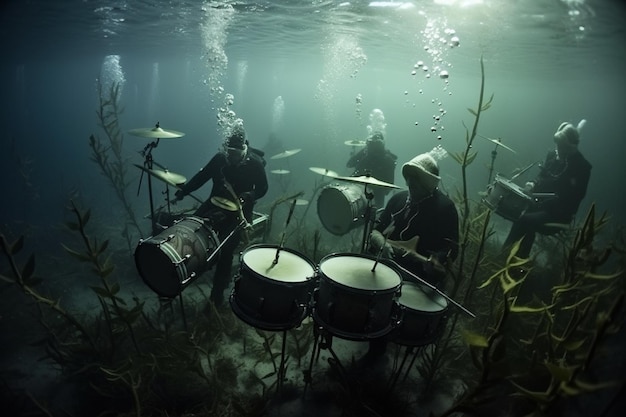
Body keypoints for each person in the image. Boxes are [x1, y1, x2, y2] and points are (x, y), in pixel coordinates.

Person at [363, 147, 459, 364]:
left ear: (428, 183)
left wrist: (437, 260)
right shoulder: (398, 199)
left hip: (419, 276)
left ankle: (384, 350)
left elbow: (452, 247)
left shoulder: (445, 208)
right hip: (389, 267)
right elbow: (377, 229)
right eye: (408, 180)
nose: (410, 185)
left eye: (415, 182)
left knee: (389, 303)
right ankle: (374, 345)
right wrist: (380, 243)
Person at [174, 124, 268, 306]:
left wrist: (250, 196)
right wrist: (184, 191)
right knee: (190, 230)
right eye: (229, 151)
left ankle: (216, 297)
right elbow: (202, 177)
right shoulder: (220, 159)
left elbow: (263, 188)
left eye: (235, 153)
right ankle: (181, 272)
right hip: (214, 202)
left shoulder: (255, 163)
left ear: (244, 149)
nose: (231, 157)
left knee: (226, 251)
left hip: (239, 213)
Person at [503, 120, 591, 259]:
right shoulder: (553, 155)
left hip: (558, 216)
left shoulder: (582, 167)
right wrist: (532, 184)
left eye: (562, 147)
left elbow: (575, 198)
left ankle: (507, 257)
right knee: (518, 214)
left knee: (523, 220)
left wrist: (541, 200)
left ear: (570, 147)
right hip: (538, 206)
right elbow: (541, 176)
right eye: (557, 146)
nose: (558, 150)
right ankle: (517, 261)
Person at [346, 131, 397, 207]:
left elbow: (349, 164)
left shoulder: (387, 159)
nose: (374, 147)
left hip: (374, 191)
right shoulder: (366, 153)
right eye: (372, 143)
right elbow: (349, 164)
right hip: (360, 188)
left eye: (376, 144)